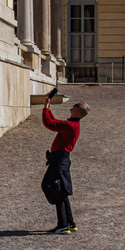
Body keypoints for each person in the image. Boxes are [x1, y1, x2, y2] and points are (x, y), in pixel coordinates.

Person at [40, 89, 88, 234]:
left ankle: (63, 225)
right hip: (60, 159)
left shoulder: (71, 125)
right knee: (62, 191)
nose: (71, 107)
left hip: (60, 160)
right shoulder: (72, 124)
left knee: (54, 188)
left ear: (78, 112)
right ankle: (70, 223)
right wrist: (48, 107)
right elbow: (55, 123)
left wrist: (46, 107)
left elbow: (49, 124)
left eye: (74, 106)